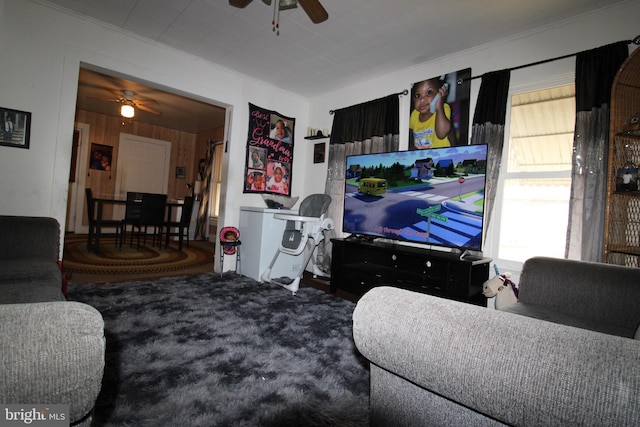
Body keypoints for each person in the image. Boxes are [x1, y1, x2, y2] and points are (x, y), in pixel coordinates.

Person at [409, 79, 453, 149]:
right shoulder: (415, 114)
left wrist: (439, 107)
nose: (422, 100)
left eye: (429, 93)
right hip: (422, 156)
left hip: (441, 155)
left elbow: (441, 134)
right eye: (417, 95)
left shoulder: (443, 108)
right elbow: (409, 136)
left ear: (439, 94)